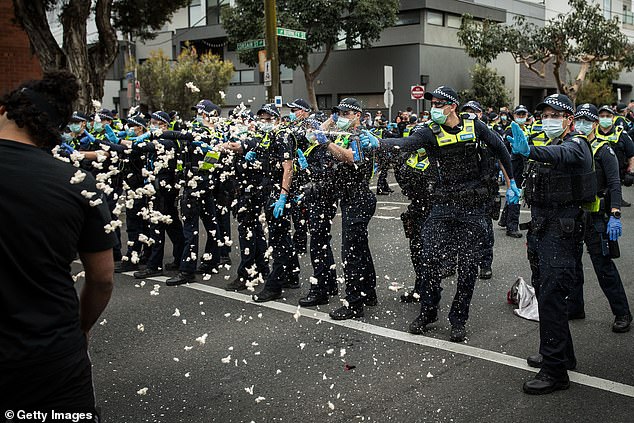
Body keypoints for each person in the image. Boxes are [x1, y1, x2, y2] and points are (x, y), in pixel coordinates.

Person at [0, 71, 115, 417]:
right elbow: (102, 278)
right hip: (51, 356)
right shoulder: (77, 184)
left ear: (5, 111)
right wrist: (81, 327)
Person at [370, 86, 518, 342]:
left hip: (472, 207)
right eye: (433, 104)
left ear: (452, 106)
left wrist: (512, 181)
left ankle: (458, 319)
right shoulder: (430, 131)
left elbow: (499, 148)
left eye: (440, 104)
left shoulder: (475, 127)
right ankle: (428, 311)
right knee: (428, 258)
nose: (434, 108)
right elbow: (407, 143)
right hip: (442, 205)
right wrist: (380, 143)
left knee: (468, 266)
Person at [507, 94, 597, 395]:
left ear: (569, 119)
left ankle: (555, 372)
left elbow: (562, 156)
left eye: (555, 115)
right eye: (544, 114)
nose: (548, 119)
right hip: (543, 230)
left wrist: (530, 149)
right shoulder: (555, 145)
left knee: (551, 298)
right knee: (548, 295)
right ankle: (560, 355)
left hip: (561, 233)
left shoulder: (577, 144)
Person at [569, 104, 631, 332]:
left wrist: (615, 213)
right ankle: (575, 307)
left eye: (587, 120)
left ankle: (622, 313)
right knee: (573, 265)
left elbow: (615, 183)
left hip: (597, 217)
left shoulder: (604, 150)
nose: (582, 124)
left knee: (604, 267)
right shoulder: (573, 146)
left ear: (595, 124)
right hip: (575, 216)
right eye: (579, 120)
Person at [314, 98, 378, 319]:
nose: (341, 117)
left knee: (351, 253)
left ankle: (354, 303)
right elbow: (313, 133)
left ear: (358, 115)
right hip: (351, 198)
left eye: (346, 113)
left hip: (359, 198)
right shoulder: (342, 133)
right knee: (360, 248)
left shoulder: (359, 136)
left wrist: (327, 144)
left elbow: (352, 158)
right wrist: (330, 122)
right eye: (338, 113)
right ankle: (369, 292)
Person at [132, 111, 185, 279]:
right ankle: (179, 258)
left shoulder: (167, 142)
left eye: (155, 123)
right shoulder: (158, 140)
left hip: (163, 190)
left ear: (164, 126)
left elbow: (141, 147)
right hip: (159, 189)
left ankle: (154, 265)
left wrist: (124, 142)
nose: (151, 125)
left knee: (158, 227)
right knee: (172, 224)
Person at [499, 105, 530, 238]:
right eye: (519, 115)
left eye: (523, 115)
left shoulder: (527, 129)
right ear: (514, 115)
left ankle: (504, 219)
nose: (521, 117)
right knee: (516, 196)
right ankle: (512, 227)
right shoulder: (510, 130)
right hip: (513, 167)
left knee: (513, 194)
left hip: (523, 167)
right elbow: (503, 152)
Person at [597, 105, 634, 207]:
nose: (605, 118)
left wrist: (631, 171)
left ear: (613, 117)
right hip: (597, 173)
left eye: (608, 116)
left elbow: (631, 154)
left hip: (617, 171)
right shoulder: (592, 132)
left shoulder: (621, 133)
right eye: (602, 116)